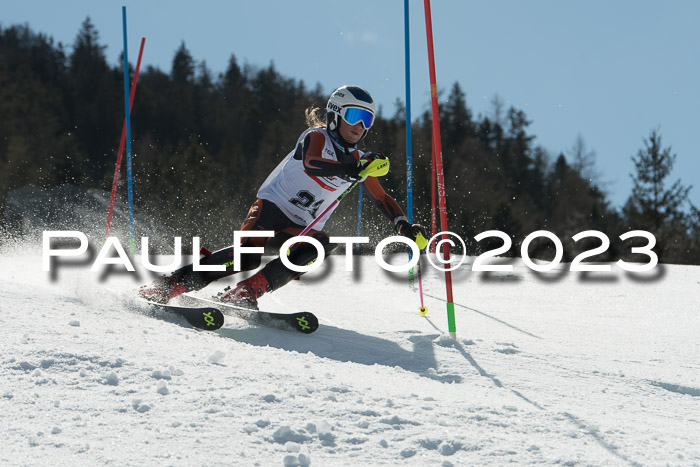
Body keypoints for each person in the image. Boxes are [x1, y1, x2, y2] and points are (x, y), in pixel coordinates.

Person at [138, 85, 427, 309]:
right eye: (354, 116)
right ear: (335, 114)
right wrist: (352, 169)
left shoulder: (359, 161)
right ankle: (169, 285)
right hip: (270, 209)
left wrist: (403, 225)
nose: (360, 126)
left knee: (322, 243)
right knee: (247, 257)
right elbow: (313, 164)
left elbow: (381, 197)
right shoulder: (316, 137)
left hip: (297, 227)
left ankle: (247, 291)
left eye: (367, 119)